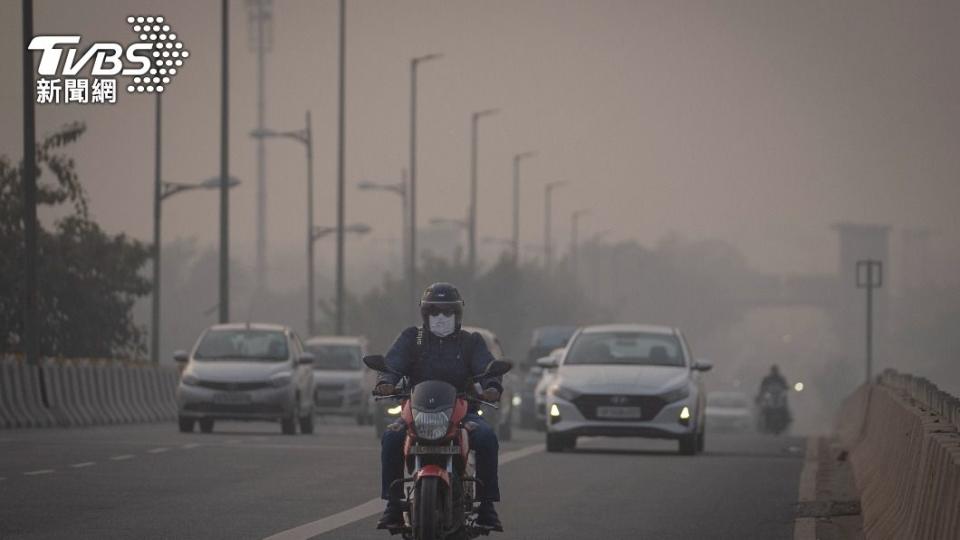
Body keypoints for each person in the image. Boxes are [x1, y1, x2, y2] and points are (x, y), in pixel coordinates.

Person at [374, 282, 504, 530]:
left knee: (487, 437)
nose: (441, 317)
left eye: (447, 312)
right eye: (434, 311)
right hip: (416, 412)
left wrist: (492, 387)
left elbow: (487, 368)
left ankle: (487, 507)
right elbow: (392, 364)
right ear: (425, 314)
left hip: (462, 412)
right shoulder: (412, 338)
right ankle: (393, 505)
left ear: (457, 315)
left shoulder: (470, 341)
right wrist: (385, 382)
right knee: (391, 436)